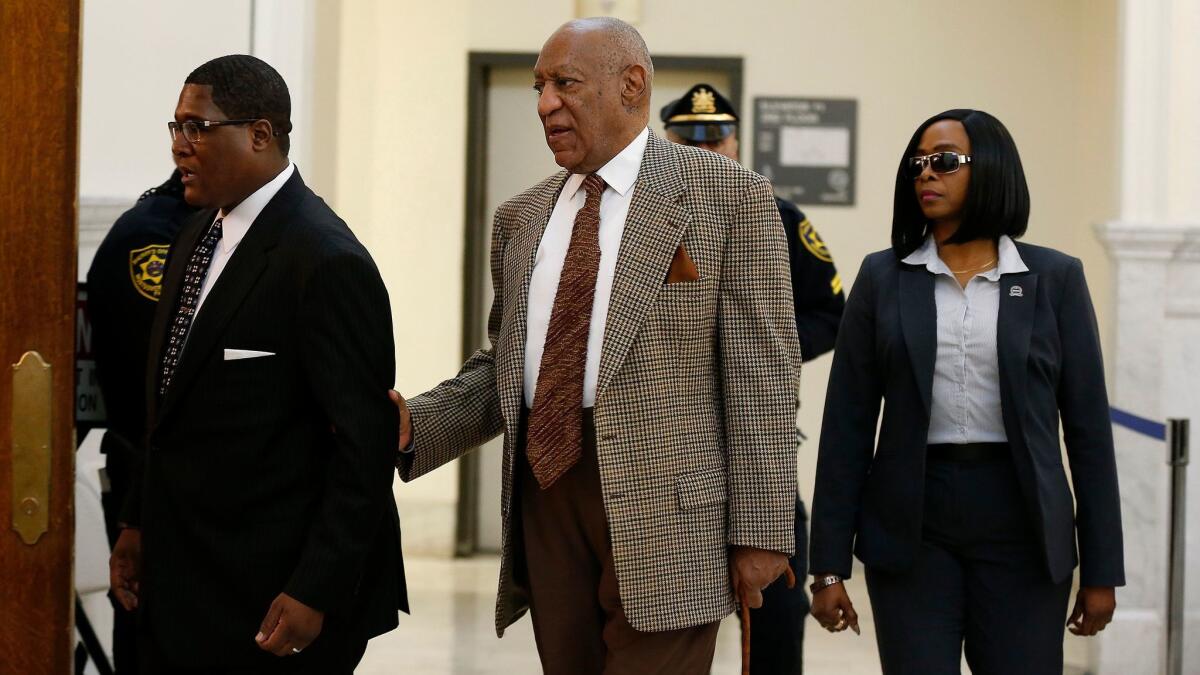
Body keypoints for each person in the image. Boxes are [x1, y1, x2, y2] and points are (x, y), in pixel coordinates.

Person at [391, 18, 801, 674]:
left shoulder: (731, 198)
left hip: (671, 515)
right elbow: (507, 365)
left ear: (631, 84)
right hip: (548, 499)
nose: (544, 103)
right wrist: (417, 423)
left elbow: (764, 377)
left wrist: (761, 530)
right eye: (538, 86)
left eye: (565, 83)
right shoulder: (520, 218)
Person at [107, 55, 407, 674]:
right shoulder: (197, 237)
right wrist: (138, 521)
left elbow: (363, 448)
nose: (179, 147)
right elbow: (167, 404)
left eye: (198, 128)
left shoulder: (325, 260)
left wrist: (315, 589)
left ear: (260, 134)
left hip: (271, 596)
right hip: (185, 575)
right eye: (175, 127)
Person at [808, 109, 1125, 674]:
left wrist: (1102, 570)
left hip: (1022, 525)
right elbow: (846, 429)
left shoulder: (1055, 279)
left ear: (993, 170)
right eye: (919, 164)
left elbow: (1088, 435)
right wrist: (828, 567)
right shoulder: (883, 278)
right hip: (912, 525)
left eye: (946, 162)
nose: (927, 174)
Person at [661, 83, 845, 675]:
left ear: (738, 142)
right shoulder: (644, 223)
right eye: (690, 139)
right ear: (666, 142)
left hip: (756, 445)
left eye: (717, 138)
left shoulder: (778, 217)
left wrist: (768, 353)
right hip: (668, 452)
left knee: (774, 615)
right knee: (667, 625)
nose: (707, 150)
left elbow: (830, 312)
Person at [87, 170, 198, 673]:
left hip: (188, 487)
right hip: (152, 484)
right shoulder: (153, 239)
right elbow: (155, 388)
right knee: (152, 643)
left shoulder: (208, 225)